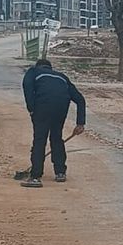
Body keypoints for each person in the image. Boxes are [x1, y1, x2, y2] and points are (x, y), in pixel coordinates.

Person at [21, 58, 86, 188]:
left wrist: (32, 109)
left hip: (42, 106)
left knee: (40, 140)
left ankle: (35, 177)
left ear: (38, 66)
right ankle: (60, 172)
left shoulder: (33, 71)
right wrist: (80, 123)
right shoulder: (61, 76)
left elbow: (27, 87)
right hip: (60, 108)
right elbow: (80, 99)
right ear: (50, 68)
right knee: (56, 138)